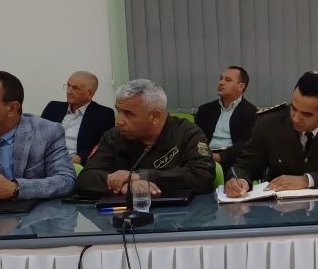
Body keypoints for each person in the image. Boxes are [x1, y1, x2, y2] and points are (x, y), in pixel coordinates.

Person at [224, 72, 318, 197]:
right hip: (279, 210)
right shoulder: (269, 122)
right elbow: (245, 165)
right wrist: (239, 180)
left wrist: (307, 180)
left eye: (306, 114)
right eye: (293, 108)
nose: (296, 118)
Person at [75, 79, 215, 196]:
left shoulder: (187, 133)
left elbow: (203, 176)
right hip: (125, 215)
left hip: (179, 214)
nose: (118, 121)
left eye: (128, 114)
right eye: (119, 111)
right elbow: (86, 179)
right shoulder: (114, 136)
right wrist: (126, 186)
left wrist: (141, 176)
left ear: (155, 116)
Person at [0, 71, 75, 203]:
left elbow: (66, 180)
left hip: (31, 215)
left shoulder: (47, 132)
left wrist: (15, 188)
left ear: (11, 108)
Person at [41, 71, 116, 165]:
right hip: (45, 160)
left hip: (74, 164)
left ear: (90, 93)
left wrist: (81, 158)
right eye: (68, 85)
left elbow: (104, 145)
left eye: (75, 88)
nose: (68, 91)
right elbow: (38, 136)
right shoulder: (53, 107)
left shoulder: (103, 114)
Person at [194, 66, 258, 169]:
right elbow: (195, 137)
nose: (221, 83)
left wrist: (220, 157)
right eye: (221, 79)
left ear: (241, 86)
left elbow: (247, 142)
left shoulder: (251, 112)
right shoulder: (205, 110)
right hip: (205, 158)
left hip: (233, 160)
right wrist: (204, 155)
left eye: (227, 80)